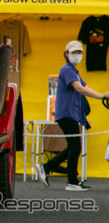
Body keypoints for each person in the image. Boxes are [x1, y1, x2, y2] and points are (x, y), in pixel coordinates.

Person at [36, 40, 109, 191]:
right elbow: (80, 89)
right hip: (67, 113)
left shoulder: (72, 70)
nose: (77, 55)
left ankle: (54, 171)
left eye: (79, 53)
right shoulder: (67, 69)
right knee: (75, 146)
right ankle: (69, 180)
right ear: (66, 54)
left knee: (73, 146)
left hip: (70, 114)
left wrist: (103, 95)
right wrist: (102, 96)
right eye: (73, 52)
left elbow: (84, 87)